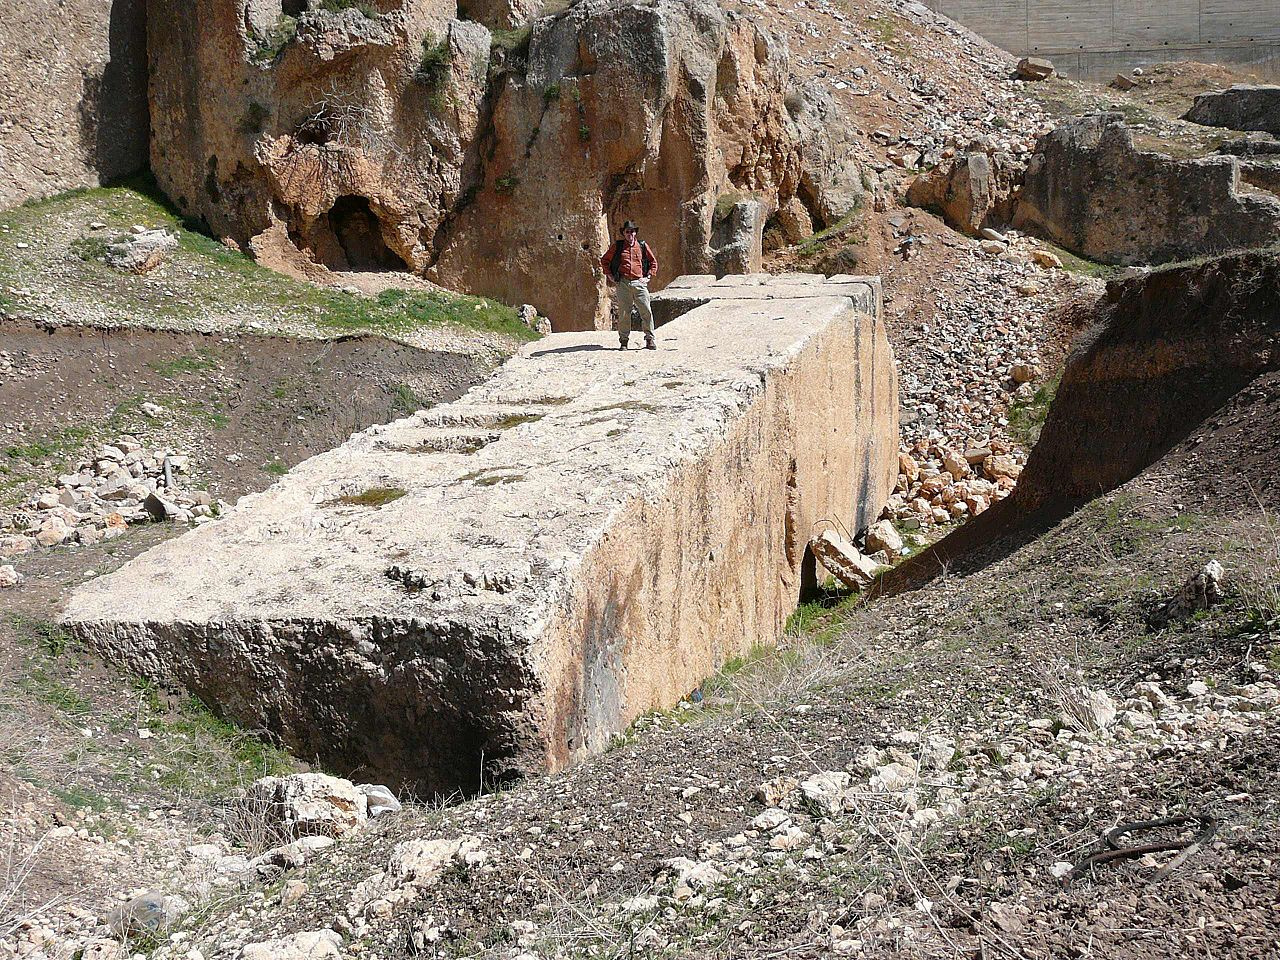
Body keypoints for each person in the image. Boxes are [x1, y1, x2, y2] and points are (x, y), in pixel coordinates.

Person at [599, 220, 658, 350]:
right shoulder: (618, 247)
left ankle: (649, 339)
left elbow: (653, 262)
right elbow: (604, 260)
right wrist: (609, 275)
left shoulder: (642, 245)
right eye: (627, 231)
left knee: (646, 311)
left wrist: (648, 277)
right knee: (624, 313)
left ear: (635, 232)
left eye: (632, 231)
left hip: (639, 282)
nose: (630, 234)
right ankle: (624, 341)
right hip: (623, 283)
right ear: (624, 233)